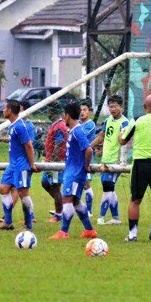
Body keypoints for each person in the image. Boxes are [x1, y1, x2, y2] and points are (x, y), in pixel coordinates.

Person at [119, 94, 151, 242]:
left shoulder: (137, 120)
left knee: (135, 200)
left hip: (140, 164)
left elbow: (122, 141)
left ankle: (133, 234)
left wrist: (121, 134)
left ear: (144, 106)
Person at [49, 101, 97, 240]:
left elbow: (88, 149)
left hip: (75, 173)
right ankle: (89, 230)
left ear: (67, 115)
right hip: (73, 171)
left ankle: (63, 232)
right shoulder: (73, 130)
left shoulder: (77, 131)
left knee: (67, 200)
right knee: (75, 201)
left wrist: (86, 166)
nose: (63, 118)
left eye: (64, 115)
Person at [0, 100, 38, 231]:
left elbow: (29, 145)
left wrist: (31, 164)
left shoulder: (20, 126)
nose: (2, 110)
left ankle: (28, 225)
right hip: (12, 165)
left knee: (23, 193)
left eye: (4, 108)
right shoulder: (12, 126)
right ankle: (7, 222)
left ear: (9, 111)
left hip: (22, 165)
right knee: (3, 189)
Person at [90, 94, 129, 225]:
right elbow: (101, 136)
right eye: (110, 106)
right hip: (105, 159)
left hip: (115, 161)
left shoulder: (125, 122)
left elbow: (126, 142)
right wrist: (89, 147)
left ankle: (101, 217)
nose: (113, 109)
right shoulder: (107, 121)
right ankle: (116, 218)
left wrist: (121, 159)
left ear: (122, 107)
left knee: (107, 188)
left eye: (115, 106)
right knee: (109, 189)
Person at [42, 103, 69, 223]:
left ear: (52, 112)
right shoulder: (55, 125)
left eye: (48, 111)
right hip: (50, 161)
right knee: (45, 183)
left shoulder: (59, 126)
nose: (46, 113)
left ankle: (59, 214)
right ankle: (64, 205)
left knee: (55, 187)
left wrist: (52, 162)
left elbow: (58, 145)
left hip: (56, 162)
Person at [80, 99, 97, 216]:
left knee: (86, 185)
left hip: (87, 159)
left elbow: (80, 136)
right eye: (80, 110)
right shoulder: (79, 124)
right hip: (78, 158)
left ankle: (89, 211)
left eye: (84, 110)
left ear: (89, 112)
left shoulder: (90, 124)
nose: (82, 112)